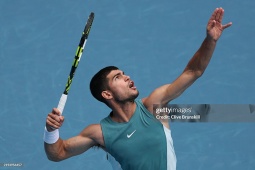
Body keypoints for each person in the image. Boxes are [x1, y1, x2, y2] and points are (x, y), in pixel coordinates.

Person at [43, 7, 232, 170]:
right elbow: (58, 153)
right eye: (118, 77)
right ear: (107, 94)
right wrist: (51, 130)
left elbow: (194, 71)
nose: (127, 77)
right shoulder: (99, 133)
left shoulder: (154, 105)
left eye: (124, 73)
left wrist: (210, 40)